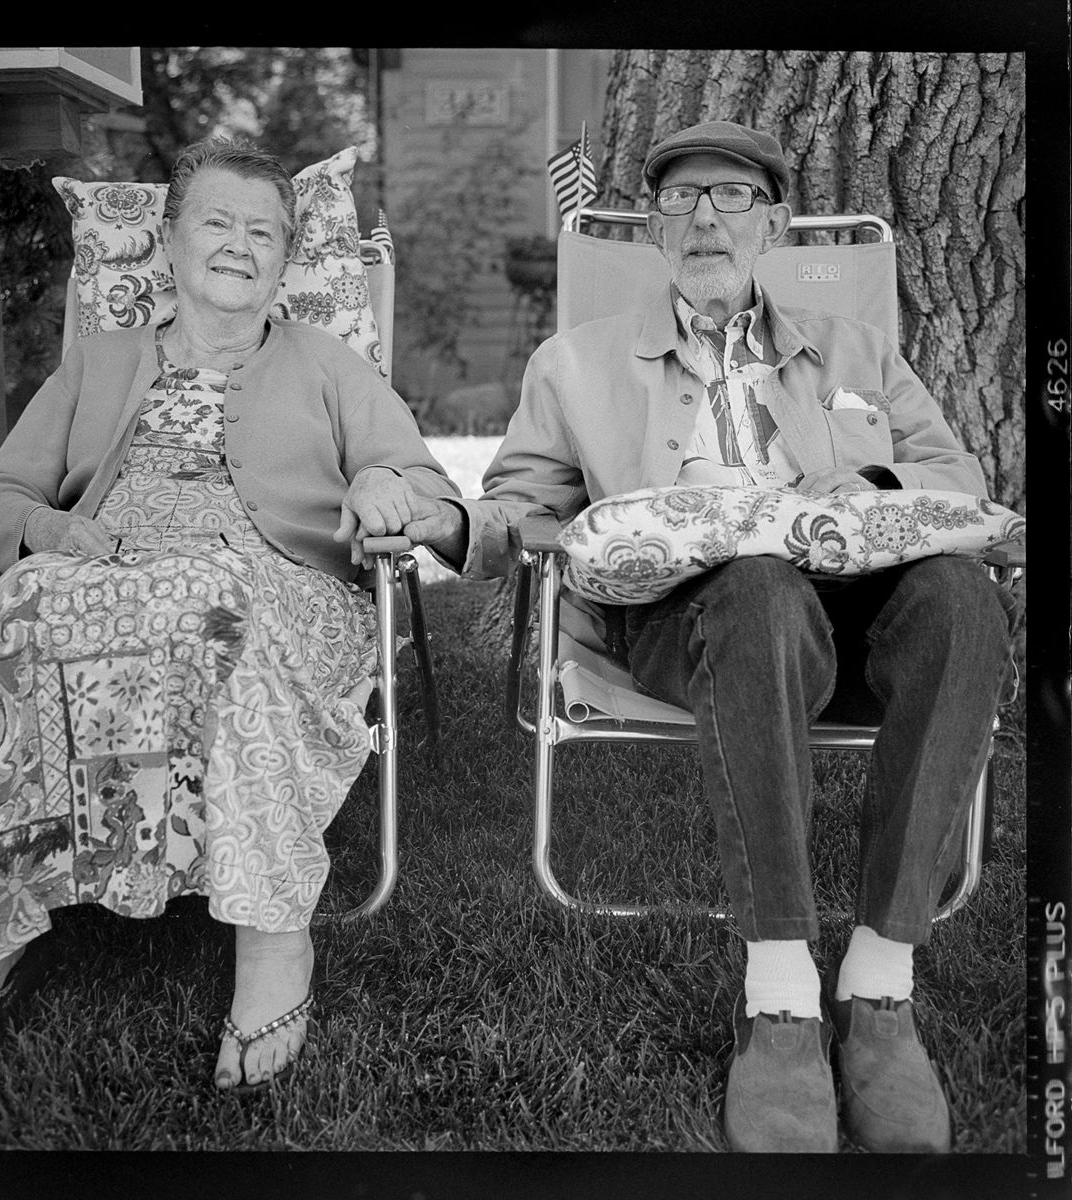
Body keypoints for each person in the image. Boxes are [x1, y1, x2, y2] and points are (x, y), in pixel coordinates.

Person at [402, 121, 1018, 1152]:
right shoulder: (577, 364)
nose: (703, 216)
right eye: (681, 197)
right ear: (651, 224)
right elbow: (520, 499)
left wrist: (868, 482)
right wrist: (458, 527)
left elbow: (952, 481)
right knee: (756, 587)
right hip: (691, 617)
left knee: (959, 598)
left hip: (859, 608)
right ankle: (778, 997)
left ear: (769, 222)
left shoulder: (856, 349)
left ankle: (878, 986)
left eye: (730, 197)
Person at [0, 136, 461, 1092]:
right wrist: (46, 533)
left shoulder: (327, 361)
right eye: (216, 221)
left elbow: (417, 476)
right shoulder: (100, 360)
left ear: (285, 261)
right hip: (108, 566)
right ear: (169, 243)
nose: (239, 244)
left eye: (263, 232)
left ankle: (270, 941)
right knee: (18, 610)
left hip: (276, 580)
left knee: (216, 606)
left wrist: (383, 481)